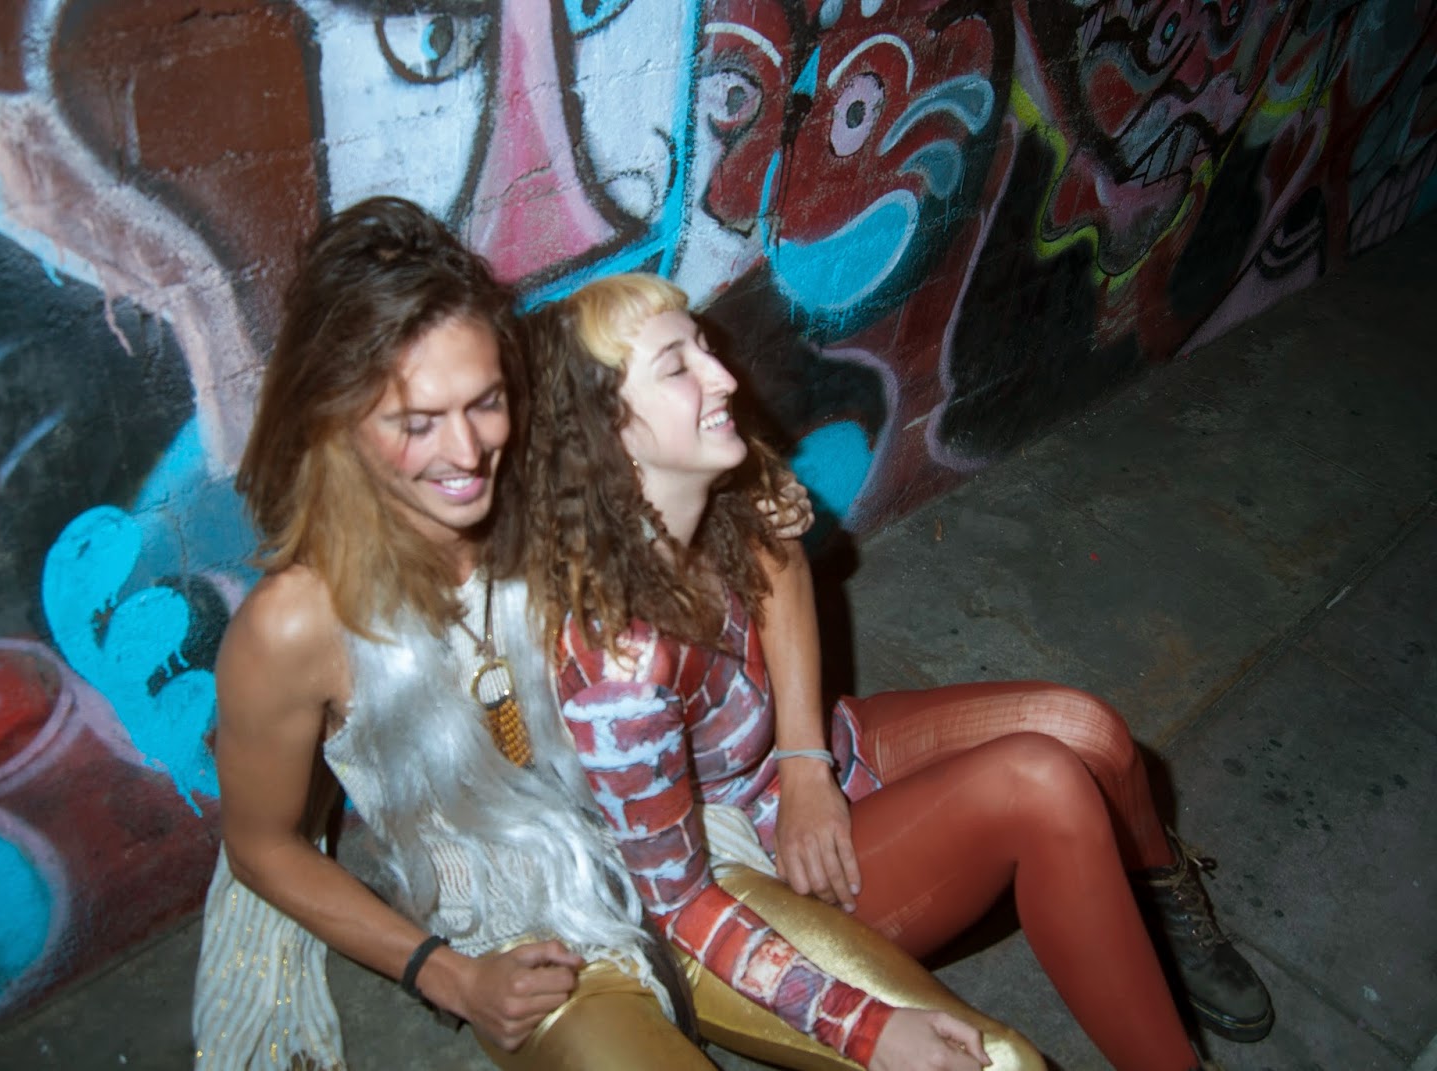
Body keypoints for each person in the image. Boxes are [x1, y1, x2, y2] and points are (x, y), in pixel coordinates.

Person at [191, 197, 1041, 1071]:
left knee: (990, 1059)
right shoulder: (293, 625)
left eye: (486, 403)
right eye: (416, 422)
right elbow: (261, 844)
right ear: (336, 422)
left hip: (690, 858)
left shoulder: (542, 483)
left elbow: (759, 538)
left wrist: (800, 755)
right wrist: (447, 976)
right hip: (534, 946)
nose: (468, 452)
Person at [522, 273, 1273, 1071]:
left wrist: (805, 759)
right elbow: (678, 906)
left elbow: (780, 564)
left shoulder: (711, 476)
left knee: (1097, 733)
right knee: (1042, 782)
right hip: (776, 869)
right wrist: (860, 1021)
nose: (724, 376)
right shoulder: (617, 671)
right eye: (678, 366)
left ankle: (1161, 898)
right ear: (606, 431)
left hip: (816, 755)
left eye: (705, 347)